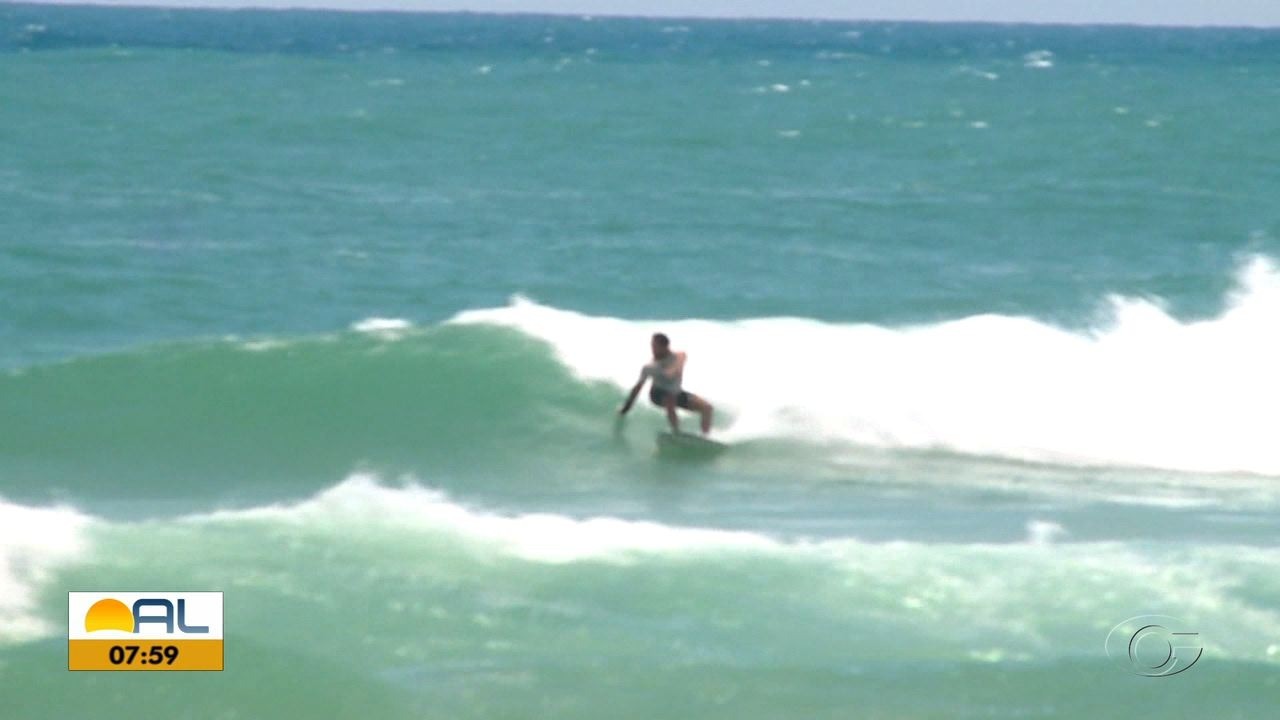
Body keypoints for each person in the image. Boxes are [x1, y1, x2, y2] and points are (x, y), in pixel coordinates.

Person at [618, 332, 714, 435]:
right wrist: (627, 407)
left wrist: (672, 371)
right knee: (670, 399)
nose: (652, 349)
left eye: (655, 346)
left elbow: (677, 367)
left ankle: (705, 436)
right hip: (657, 394)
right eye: (652, 346)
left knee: (707, 407)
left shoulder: (680, 355)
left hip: (676, 393)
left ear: (665, 347)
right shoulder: (649, 367)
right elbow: (638, 387)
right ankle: (676, 432)